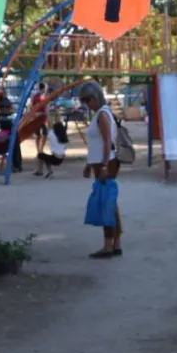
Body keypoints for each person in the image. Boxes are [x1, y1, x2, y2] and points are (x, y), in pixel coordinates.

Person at [79, 80, 123, 259]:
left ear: (96, 96)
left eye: (88, 99)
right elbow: (96, 144)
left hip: (106, 162)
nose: (87, 104)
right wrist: (89, 164)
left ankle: (108, 245)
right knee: (110, 203)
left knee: (106, 203)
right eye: (84, 101)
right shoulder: (100, 113)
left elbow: (107, 142)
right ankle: (116, 243)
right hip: (100, 162)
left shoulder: (103, 115)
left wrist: (104, 165)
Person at [30, 82, 48, 153]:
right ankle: (39, 150)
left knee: (43, 134)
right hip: (38, 118)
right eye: (44, 88)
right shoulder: (37, 97)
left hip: (42, 118)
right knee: (40, 135)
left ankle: (40, 150)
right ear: (43, 88)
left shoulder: (42, 96)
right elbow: (33, 107)